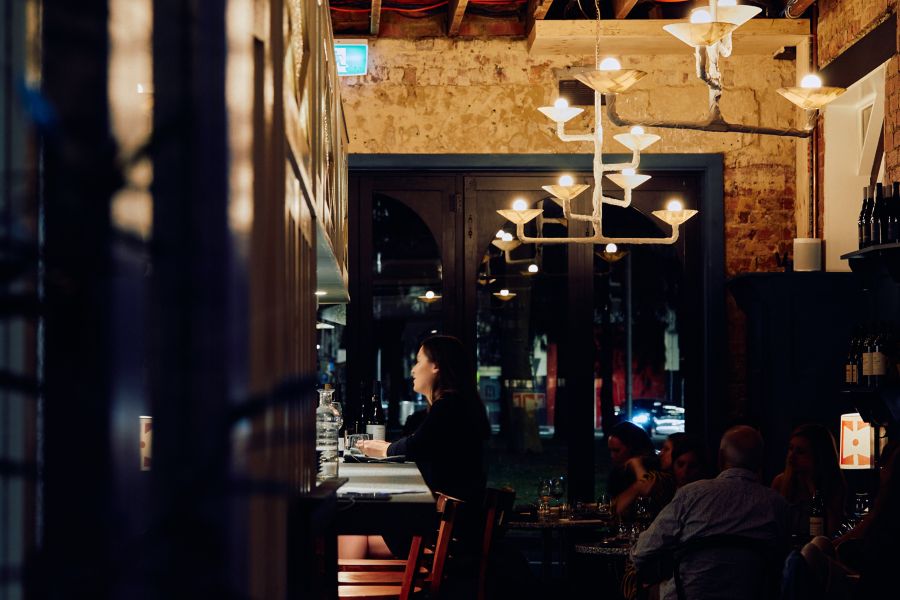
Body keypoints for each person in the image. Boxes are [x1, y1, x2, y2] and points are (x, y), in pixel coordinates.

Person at [344, 335, 491, 559]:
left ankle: (346, 592)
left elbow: (415, 446)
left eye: (418, 361)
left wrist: (384, 449)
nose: (413, 369)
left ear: (436, 366)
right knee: (354, 526)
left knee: (350, 528)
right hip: (445, 525)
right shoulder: (457, 406)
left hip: (440, 532)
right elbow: (419, 445)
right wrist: (389, 447)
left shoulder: (449, 407)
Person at [631, 426, 790, 600]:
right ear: (760, 461)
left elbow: (644, 550)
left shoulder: (691, 494)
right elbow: (781, 559)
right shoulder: (777, 504)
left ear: (720, 458)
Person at [771, 423, 846, 538]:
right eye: (791, 448)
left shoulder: (832, 485)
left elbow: (833, 531)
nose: (792, 456)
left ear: (818, 456)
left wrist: (814, 489)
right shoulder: (780, 482)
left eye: (800, 452)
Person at [607, 420, 656, 501]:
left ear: (633, 448)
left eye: (617, 450)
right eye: (610, 450)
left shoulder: (652, 469)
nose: (612, 456)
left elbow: (647, 493)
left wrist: (636, 464)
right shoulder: (617, 472)